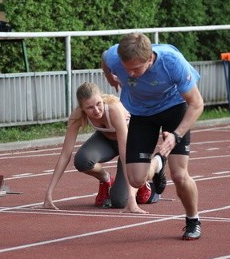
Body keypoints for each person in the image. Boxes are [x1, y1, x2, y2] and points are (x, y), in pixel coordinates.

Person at [101, 33, 205, 240]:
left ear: (150, 59)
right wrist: (110, 78)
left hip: (173, 108)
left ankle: (193, 219)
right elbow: (105, 57)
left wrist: (176, 135)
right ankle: (157, 165)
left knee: (179, 175)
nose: (130, 73)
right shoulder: (114, 56)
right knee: (136, 179)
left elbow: (197, 103)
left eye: (136, 69)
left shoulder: (172, 62)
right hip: (141, 113)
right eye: (126, 67)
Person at [43, 82, 166, 214]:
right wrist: (48, 195)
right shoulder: (77, 116)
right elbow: (65, 154)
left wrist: (132, 200)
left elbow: (125, 154)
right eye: (90, 108)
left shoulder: (113, 109)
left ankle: (156, 164)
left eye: (98, 104)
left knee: (119, 201)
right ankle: (106, 179)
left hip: (131, 143)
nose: (96, 110)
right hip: (107, 141)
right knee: (82, 160)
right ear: (82, 108)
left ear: (102, 99)